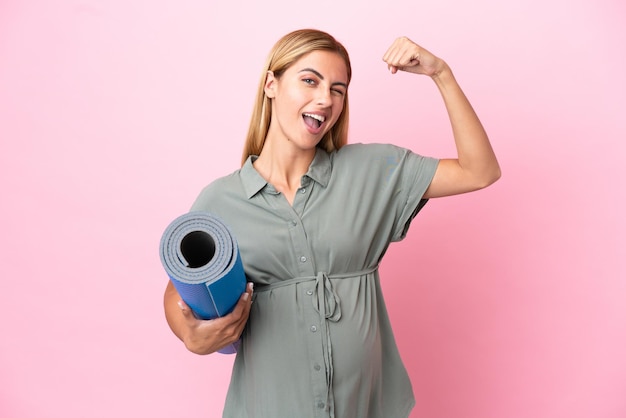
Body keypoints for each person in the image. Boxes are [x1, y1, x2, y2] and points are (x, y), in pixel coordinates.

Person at [163, 28, 500, 418]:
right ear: (271, 84)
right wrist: (190, 333)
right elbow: (178, 290)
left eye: (338, 89)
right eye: (310, 80)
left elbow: (480, 171)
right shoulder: (221, 201)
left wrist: (441, 73)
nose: (325, 99)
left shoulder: (373, 171)